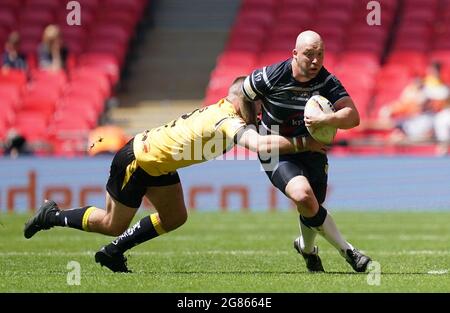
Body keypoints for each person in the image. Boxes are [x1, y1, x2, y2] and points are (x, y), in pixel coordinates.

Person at [23, 77, 323, 273]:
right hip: (138, 161)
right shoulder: (225, 118)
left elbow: (262, 132)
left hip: (159, 164)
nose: (261, 111)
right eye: (257, 104)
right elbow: (257, 143)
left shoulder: (229, 113)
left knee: (175, 217)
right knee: (111, 223)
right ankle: (52, 215)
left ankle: (113, 253)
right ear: (241, 100)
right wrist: (304, 142)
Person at [242, 30, 371, 273]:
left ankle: (307, 249)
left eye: (320, 55)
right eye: (309, 55)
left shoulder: (326, 81)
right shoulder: (270, 77)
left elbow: (353, 117)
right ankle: (350, 252)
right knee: (302, 196)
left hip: (312, 149)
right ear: (294, 54)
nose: (315, 61)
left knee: (312, 205)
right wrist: (251, 124)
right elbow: (243, 94)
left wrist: (327, 118)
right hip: (276, 150)